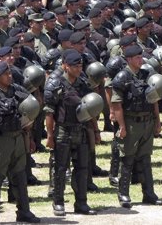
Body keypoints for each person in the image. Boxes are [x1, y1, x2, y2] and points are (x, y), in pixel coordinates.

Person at [0, 62, 40, 224]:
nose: (9, 76)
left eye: (10, 73)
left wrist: (29, 138)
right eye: (6, 74)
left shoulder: (18, 91)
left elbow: (28, 113)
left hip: (18, 137)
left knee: (20, 176)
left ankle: (24, 211)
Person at [44, 50, 97, 216]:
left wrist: (95, 131)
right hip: (62, 131)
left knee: (82, 168)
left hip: (80, 130)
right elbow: (49, 112)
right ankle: (58, 202)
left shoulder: (83, 84)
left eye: (80, 65)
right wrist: (50, 136)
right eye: (75, 65)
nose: (78, 68)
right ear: (65, 66)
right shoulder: (55, 85)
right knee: (60, 168)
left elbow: (91, 110)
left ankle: (81, 202)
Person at [110, 45, 162, 208]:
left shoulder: (147, 75)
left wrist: (157, 120)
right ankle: (124, 194)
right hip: (130, 122)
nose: (141, 60)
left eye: (141, 57)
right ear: (129, 59)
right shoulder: (121, 77)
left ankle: (149, 193)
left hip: (147, 121)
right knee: (127, 159)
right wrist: (122, 126)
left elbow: (154, 99)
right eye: (137, 58)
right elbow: (117, 104)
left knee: (145, 159)